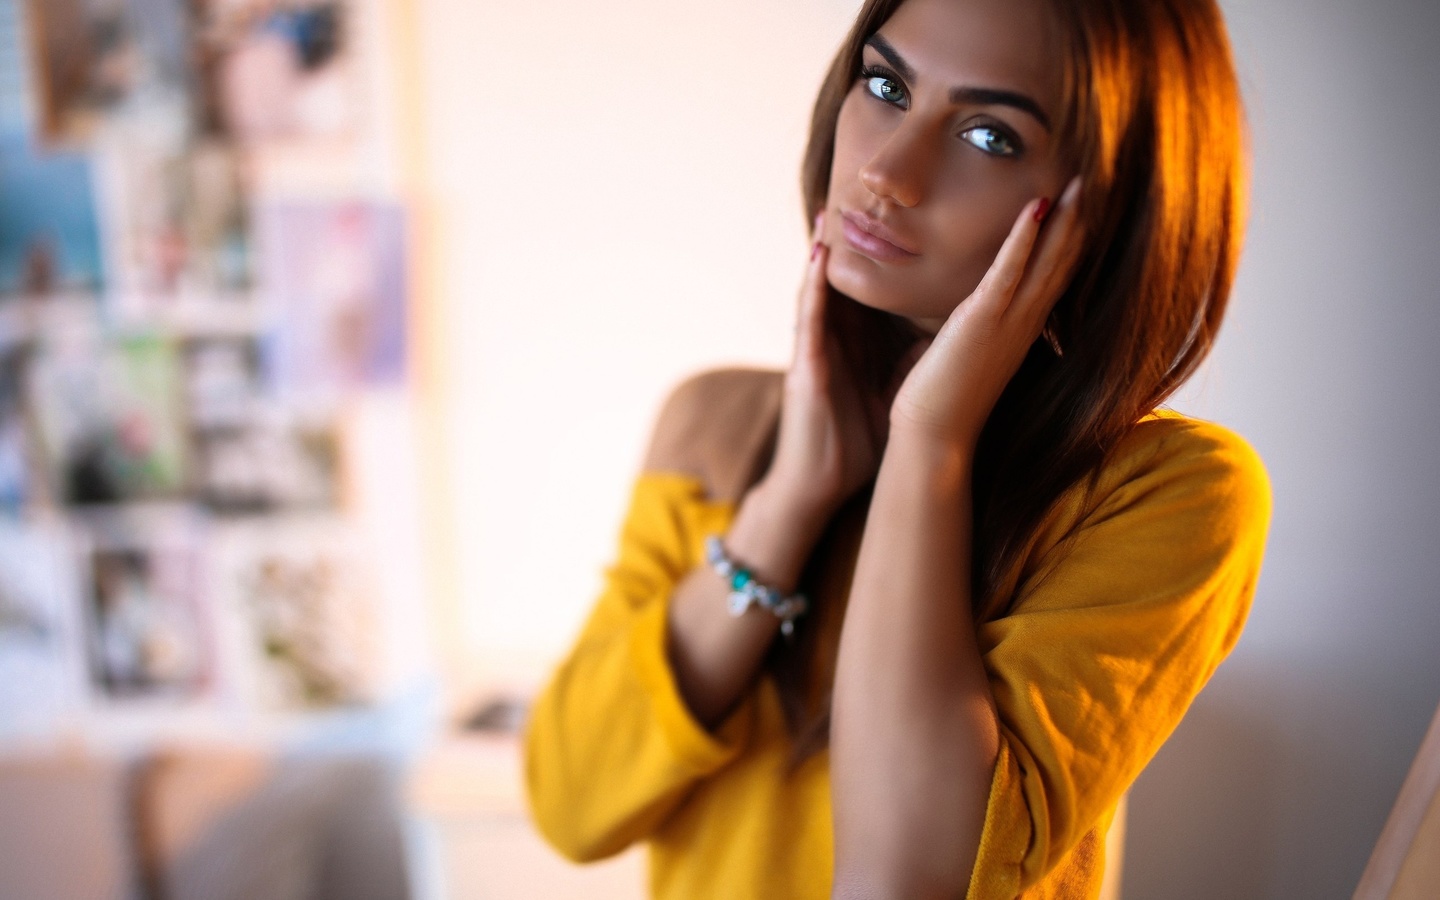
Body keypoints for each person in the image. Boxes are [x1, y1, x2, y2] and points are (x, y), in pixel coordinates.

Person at [523, 0, 1271, 896]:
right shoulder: (713, 423)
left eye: (990, 136)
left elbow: (906, 877)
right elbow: (570, 804)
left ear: (1110, 207)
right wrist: (785, 507)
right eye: (885, 86)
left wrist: (930, 444)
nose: (887, 171)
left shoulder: (1170, 494)